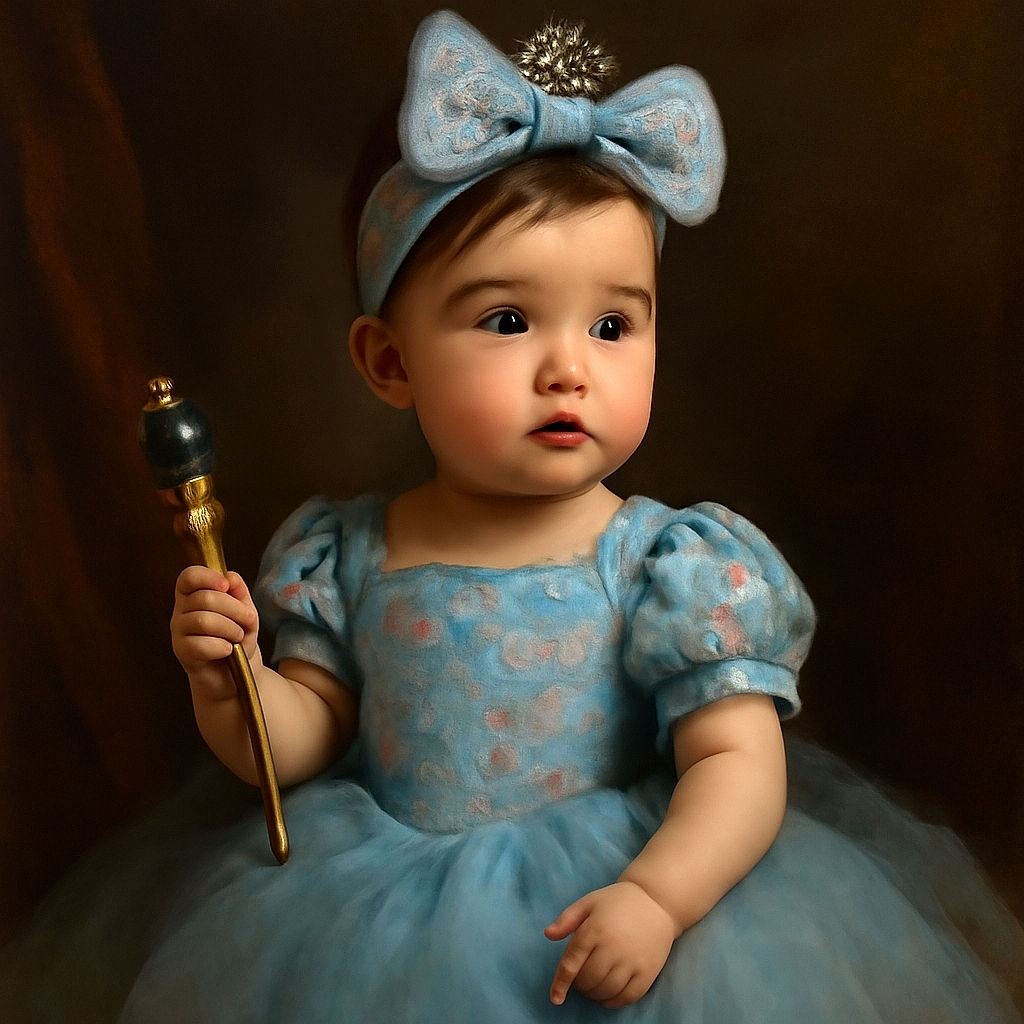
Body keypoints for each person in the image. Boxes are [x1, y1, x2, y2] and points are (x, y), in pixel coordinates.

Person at [2, 9, 1021, 1023]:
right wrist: (232, 681)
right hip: (389, 936)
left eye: (612, 324)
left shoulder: (668, 562)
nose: (568, 367)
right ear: (389, 362)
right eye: (507, 320)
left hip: (618, 900)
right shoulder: (348, 552)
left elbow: (737, 763)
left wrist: (658, 897)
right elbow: (300, 744)